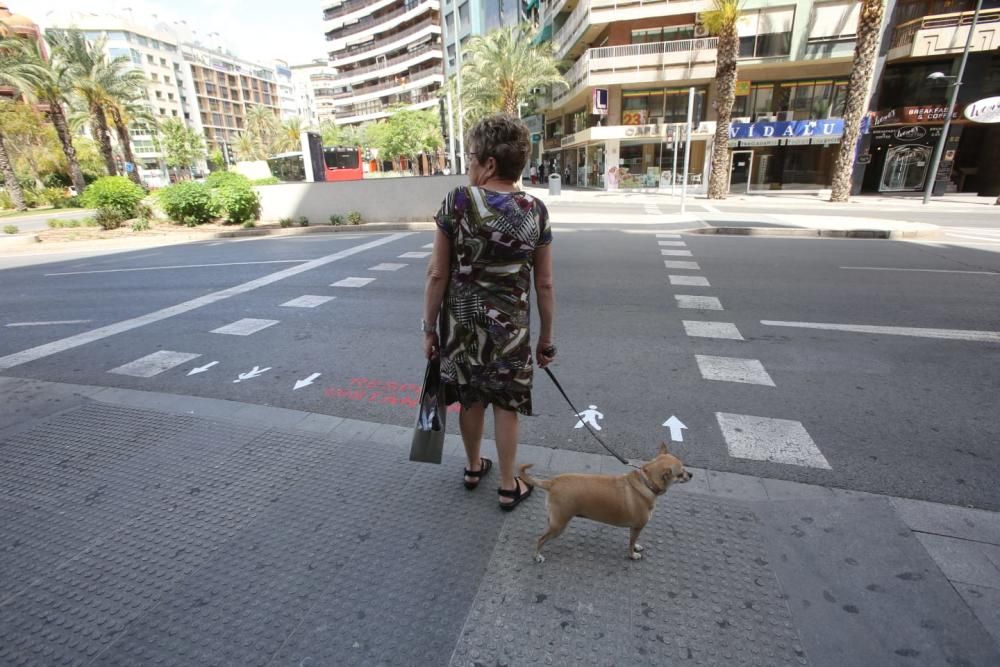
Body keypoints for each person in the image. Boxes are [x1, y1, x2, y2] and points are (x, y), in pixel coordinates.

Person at [423, 114, 556, 511]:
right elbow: (545, 284)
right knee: (506, 405)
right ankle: (507, 484)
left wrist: (429, 328)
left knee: (470, 399)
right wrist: (546, 339)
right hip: (511, 334)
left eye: (471, 158)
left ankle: (471, 466)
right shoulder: (536, 209)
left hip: (462, 329)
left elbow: (436, 273)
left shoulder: (458, 201)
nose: (468, 167)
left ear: (489, 163)